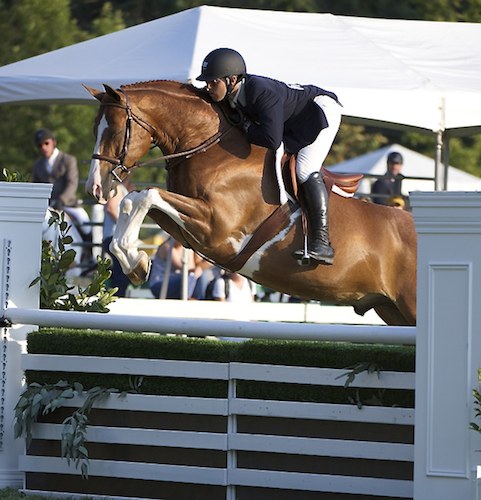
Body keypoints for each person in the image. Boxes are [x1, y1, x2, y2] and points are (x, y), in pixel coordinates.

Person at [196, 48, 342, 266]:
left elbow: (271, 140)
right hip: (294, 120)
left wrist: (245, 126)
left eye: (212, 81)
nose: (208, 86)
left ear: (231, 79)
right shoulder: (229, 93)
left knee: (305, 168)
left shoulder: (260, 92)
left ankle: (321, 243)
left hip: (320, 111)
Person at [32, 128, 92, 263]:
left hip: (68, 204)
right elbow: (35, 186)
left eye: (46, 143)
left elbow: (72, 183)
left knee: (85, 223)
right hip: (47, 207)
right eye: (40, 145)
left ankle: (89, 257)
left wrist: (61, 200)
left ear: (53, 142)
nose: (43, 148)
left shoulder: (68, 160)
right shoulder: (38, 165)